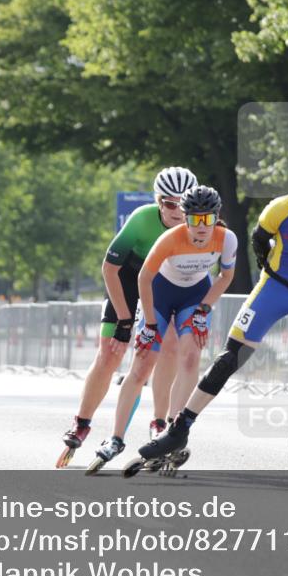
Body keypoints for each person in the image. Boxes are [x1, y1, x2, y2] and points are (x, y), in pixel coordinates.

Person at [130, 147, 288, 479]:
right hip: (275, 288)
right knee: (231, 359)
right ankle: (179, 429)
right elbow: (260, 242)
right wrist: (274, 274)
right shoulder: (281, 210)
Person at [87, 185, 237, 472]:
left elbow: (225, 276)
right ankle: (116, 438)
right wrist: (150, 325)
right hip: (159, 292)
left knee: (191, 357)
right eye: (194, 219)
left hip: (194, 295)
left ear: (217, 217)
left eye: (208, 219)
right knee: (142, 365)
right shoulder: (171, 238)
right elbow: (144, 278)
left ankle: (173, 430)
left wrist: (204, 310)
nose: (201, 227)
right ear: (185, 217)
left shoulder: (226, 239)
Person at [56, 167, 197, 468]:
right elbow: (110, 268)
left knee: (168, 346)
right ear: (159, 202)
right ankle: (82, 422)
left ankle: (160, 423)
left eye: (183, 204)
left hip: (163, 283)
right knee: (110, 351)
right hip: (128, 278)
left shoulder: (196, 226)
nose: (177, 211)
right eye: (170, 204)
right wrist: (123, 320)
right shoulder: (142, 219)